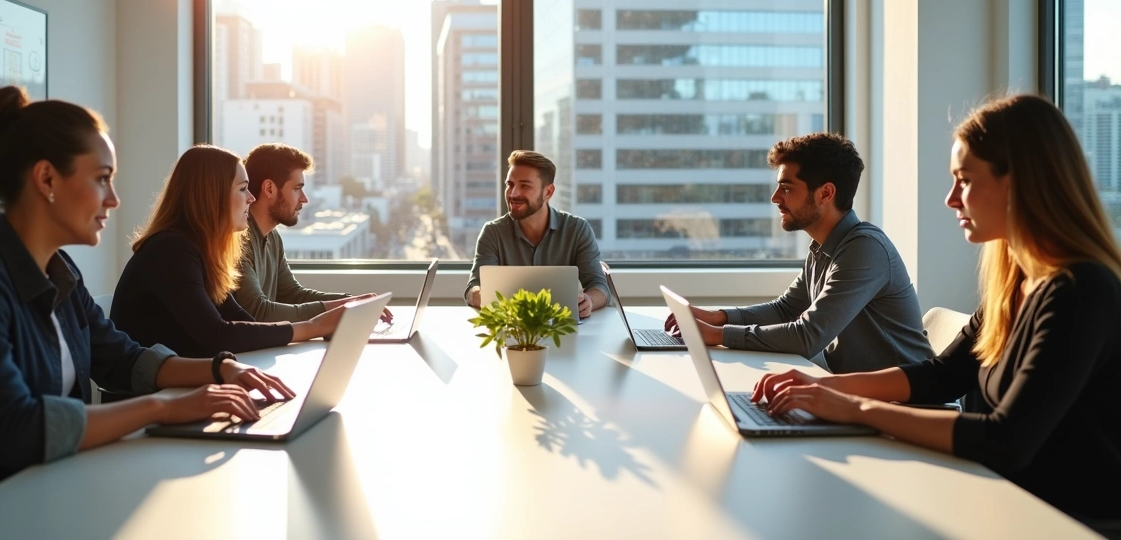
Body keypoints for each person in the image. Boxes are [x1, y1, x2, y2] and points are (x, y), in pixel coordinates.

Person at [0, 87, 292, 530]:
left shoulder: (59, 270)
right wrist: (162, 409)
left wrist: (220, 370)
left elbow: (120, 357)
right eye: (102, 178)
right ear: (47, 179)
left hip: (45, 494)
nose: (114, 199)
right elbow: (18, 429)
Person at [752, 96, 1121, 531]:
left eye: (964, 181)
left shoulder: (1081, 292)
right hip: (1000, 499)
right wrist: (822, 388)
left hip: (1064, 522)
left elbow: (1006, 441)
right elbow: (941, 374)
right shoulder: (1016, 281)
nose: (950, 199)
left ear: (1019, 182)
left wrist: (851, 406)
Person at [664, 133, 933, 373]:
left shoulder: (865, 249)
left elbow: (807, 336)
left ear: (825, 193)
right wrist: (716, 318)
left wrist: (719, 335)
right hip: (862, 399)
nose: (775, 197)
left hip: (912, 407)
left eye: (787, 188)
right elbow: (786, 309)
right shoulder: (823, 247)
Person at [111, 145, 346, 358]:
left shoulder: (203, 249)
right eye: (243, 189)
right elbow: (218, 334)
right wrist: (314, 327)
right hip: (152, 397)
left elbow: (243, 319)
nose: (251, 198)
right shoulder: (172, 250)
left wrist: (319, 322)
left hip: (188, 386)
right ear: (213, 195)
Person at [236, 143, 391, 324]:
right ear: (269, 189)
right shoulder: (237, 239)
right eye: (297, 188)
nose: (304, 198)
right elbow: (258, 311)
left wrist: (353, 301)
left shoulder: (272, 237)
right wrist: (343, 307)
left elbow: (291, 294)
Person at [465, 150, 608, 318]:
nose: (513, 194)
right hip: (511, 333)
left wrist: (589, 301)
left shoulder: (577, 229)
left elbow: (600, 287)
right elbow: (473, 288)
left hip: (563, 330)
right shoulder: (492, 232)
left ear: (548, 192)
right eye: (510, 185)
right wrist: (487, 299)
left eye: (524, 186)